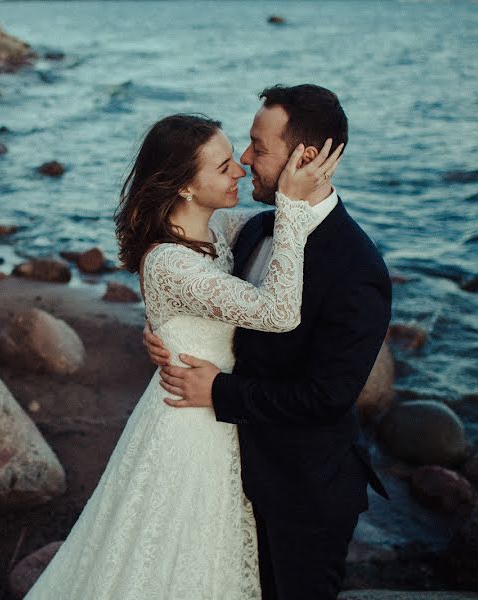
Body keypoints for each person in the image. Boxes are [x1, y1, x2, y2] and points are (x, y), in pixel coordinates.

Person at [24, 112, 341, 599]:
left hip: (215, 405)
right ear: (185, 189)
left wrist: (306, 179)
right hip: (190, 424)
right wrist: (294, 208)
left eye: (236, 156)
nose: (239, 169)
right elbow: (277, 312)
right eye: (222, 166)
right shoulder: (171, 260)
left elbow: (265, 228)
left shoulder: (220, 230)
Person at [145, 85, 391, 600]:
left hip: (304, 491)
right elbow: (189, 269)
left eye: (258, 146)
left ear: (304, 158)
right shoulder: (257, 230)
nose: (245, 159)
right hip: (230, 473)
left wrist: (218, 391)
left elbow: (328, 396)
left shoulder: (356, 267)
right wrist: (164, 332)